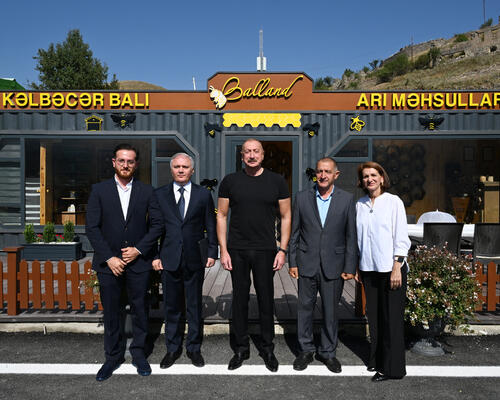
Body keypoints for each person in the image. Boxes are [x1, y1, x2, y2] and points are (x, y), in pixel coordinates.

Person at [86, 143, 162, 381]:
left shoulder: (147, 191)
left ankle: (139, 354)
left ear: (136, 164)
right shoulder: (99, 190)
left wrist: (138, 250)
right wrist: (109, 257)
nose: (126, 165)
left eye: (130, 161)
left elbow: (157, 225)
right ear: (114, 162)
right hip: (109, 264)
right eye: (121, 160)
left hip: (138, 263)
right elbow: (92, 228)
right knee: (112, 312)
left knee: (140, 310)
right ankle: (112, 357)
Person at [217, 138, 291, 372]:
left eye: (255, 151)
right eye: (247, 151)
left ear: (263, 154)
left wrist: (283, 250)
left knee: (266, 299)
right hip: (237, 249)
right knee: (240, 299)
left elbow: (286, 216)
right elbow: (221, 216)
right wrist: (223, 250)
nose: (251, 155)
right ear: (242, 156)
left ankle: (267, 348)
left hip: (266, 249)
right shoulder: (230, 181)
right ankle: (241, 348)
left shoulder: (277, 181)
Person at [288, 157, 357, 373]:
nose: (323, 175)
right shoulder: (302, 198)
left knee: (331, 311)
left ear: (336, 174)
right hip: (306, 263)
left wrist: (350, 266)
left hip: (334, 265)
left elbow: (351, 236)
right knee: (304, 309)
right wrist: (292, 261)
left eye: (327, 171)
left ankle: (328, 352)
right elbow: (294, 233)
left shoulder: (347, 199)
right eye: (319, 171)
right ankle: (305, 350)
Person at [152, 153, 217, 368]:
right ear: (171, 169)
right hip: (169, 258)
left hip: (194, 258)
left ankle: (194, 348)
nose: (181, 170)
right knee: (172, 306)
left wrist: (211, 252)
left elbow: (210, 224)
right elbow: (153, 228)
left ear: (192, 170)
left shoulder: (203, 195)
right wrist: (155, 256)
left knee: (194, 305)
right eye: (177, 166)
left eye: (185, 167)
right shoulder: (159, 195)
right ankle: (172, 348)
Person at [355, 161, 411, 382]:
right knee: (376, 319)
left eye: (373, 175)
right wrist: (358, 265)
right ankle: (377, 360)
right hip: (369, 269)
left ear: (381, 178)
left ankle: (392, 369)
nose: (369, 179)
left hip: (391, 268)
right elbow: (359, 239)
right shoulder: (359, 204)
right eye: (365, 176)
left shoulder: (393, 202)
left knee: (391, 320)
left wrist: (397, 265)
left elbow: (401, 236)